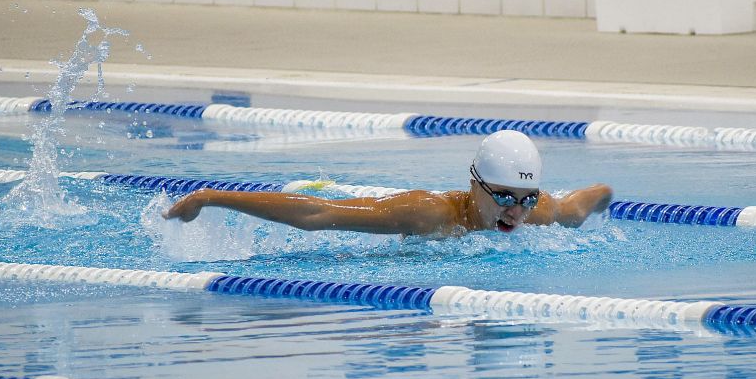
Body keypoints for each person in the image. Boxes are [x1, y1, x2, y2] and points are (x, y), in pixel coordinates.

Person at [163, 130, 613, 236]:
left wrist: (607, 195)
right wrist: (211, 197)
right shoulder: (428, 212)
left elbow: (580, 203)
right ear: (474, 184)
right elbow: (320, 215)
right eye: (503, 197)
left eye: (526, 199)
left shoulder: (537, 216)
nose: (515, 211)